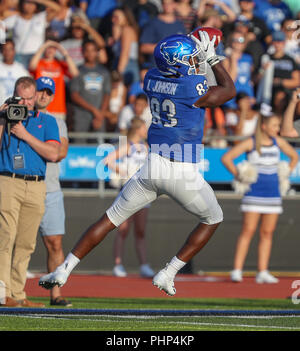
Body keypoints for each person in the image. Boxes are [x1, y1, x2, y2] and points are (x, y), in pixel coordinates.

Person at [38, 30, 236, 296]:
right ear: (176, 62)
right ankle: (169, 272)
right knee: (213, 218)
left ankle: (64, 268)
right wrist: (212, 59)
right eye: (189, 59)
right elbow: (228, 90)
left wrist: (191, 47)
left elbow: (179, 71)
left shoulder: (151, 77)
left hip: (151, 165)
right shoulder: (191, 88)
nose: (194, 62)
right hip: (181, 170)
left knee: (109, 219)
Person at [0, 76, 60, 307]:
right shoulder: (5, 118)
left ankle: (17, 293)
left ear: (35, 97)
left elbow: (53, 154)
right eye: (19, 98)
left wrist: (25, 135)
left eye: (27, 98)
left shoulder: (47, 121)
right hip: (8, 180)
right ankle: (2, 292)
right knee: (5, 237)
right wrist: (2, 118)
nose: (23, 103)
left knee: (26, 243)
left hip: (36, 185)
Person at [222, 110, 298, 284]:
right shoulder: (251, 142)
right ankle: (237, 270)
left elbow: (294, 156)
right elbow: (227, 158)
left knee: (267, 233)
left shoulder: (278, 142)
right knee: (247, 231)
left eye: (278, 126)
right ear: (263, 126)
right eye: (274, 125)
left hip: (273, 193)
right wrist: (240, 175)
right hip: (254, 193)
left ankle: (262, 271)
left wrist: (285, 173)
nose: (277, 129)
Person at [35, 76, 71, 307]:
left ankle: (55, 294)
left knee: (55, 243)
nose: (44, 96)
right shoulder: (18, 117)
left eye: (48, 92)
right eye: (40, 91)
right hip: (26, 184)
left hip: (50, 188)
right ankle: (8, 291)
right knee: (15, 242)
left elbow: (60, 152)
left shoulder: (57, 121)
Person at [104, 117, 154, 278]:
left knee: (140, 231)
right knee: (123, 230)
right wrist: (122, 171)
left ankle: (144, 265)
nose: (146, 131)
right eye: (144, 128)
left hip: (144, 193)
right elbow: (107, 160)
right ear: (138, 129)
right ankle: (118, 264)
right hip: (128, 192)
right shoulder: (128, 146)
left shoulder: (146, 147)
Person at [29, 39, 79, 121]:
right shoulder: (39, 63)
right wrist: (43, 47)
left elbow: (75, 73)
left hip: (58, 109)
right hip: (40, 107)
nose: (50, 50)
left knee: (57, 133)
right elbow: (31, 66)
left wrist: (62, 50)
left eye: (53, 48)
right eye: (48, 47)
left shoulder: (60, 64)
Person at [69, 39, 111, 136]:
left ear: (97, 52)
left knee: (99, 146)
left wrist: (100, 114)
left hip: (99, 117)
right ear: (82, 52)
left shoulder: (104, 72)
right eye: (87, 50)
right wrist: (93, 110)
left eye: (93, 50)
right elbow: (74, 95)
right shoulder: (77, 71)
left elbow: (107, 94)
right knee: (80, 146)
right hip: (81, 116)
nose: (90, 53)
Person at [2, 0, 61, 68]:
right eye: (27, 2)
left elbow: (57, 8)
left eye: (33, 3)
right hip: (19, 56)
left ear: (36, 6)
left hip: (38, 56)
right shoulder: (15, 18)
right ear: (22, 4)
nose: (30, 5)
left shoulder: (41, 17)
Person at [139, 0, 186, 69]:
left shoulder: (180, 25)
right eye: (164, 3)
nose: (167, 6)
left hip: (176, 71)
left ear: (175, 4)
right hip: (157, 69)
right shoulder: (153, 23)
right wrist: (164, 48)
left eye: (170, 3)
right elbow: (143, 48)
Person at [108, 6, 140, 87]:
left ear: (125, 17)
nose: (113, 20)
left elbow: (125, 53)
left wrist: (119, 73)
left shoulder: (127, 30)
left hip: (126, 66)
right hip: (123, 64)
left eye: (116, 17)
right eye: (112, 17)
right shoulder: (122, 31)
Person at [0, 39, 29, 104]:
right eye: (5, 49)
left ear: (14, 51)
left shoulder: (21, 69)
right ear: (1, 51)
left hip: (16, 108)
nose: (7, 52)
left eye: (10, 49)